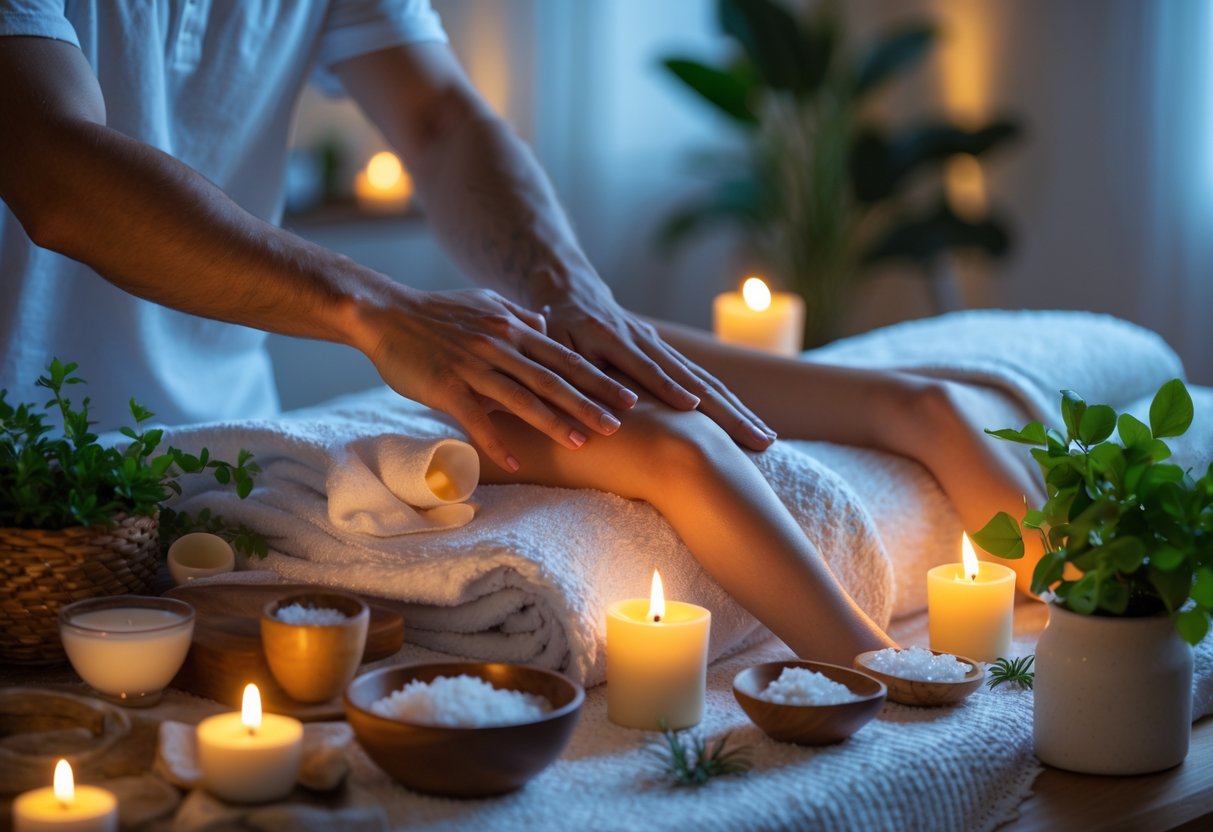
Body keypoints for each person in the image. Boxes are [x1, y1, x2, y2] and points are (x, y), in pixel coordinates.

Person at [0, 1, 1038, 666]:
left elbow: (442, 121)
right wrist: (377, 311)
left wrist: (573, 296)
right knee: (673, 447)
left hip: (217, 457)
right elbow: (53, 167)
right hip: (42, 475)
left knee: (918, 403)